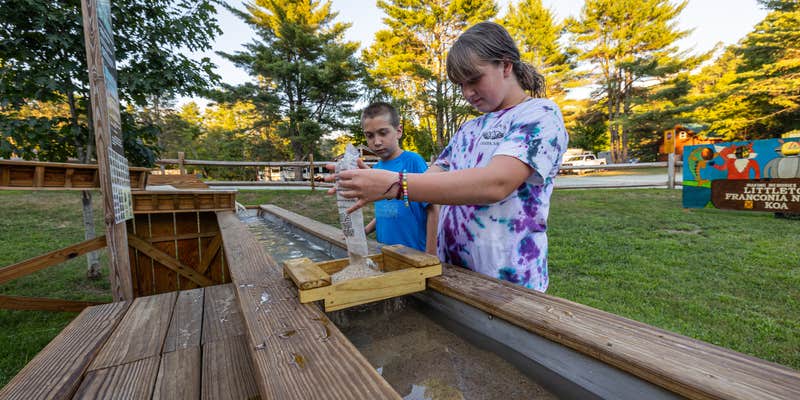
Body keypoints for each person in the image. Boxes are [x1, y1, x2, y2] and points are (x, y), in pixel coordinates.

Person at [331, 22, 567, 292]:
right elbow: (430, 180)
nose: (467, 93)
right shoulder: (470, 128)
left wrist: (395, 184)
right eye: (461, 85)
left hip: (510, 285)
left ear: (505, 65)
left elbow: (496, 183)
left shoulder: (540, 115)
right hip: (454, 276)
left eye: (474, 79)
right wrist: (374, 181)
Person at [360, 102, 438, 254]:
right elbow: (386, 210)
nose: (376, 142)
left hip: (414, 252)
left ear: (398, 131)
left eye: (383, 133)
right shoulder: (376, 169)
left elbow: (433, 209)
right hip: (385, 252)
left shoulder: (412, 161)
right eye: (370, 136)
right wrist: (365, 230)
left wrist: (430, 255)